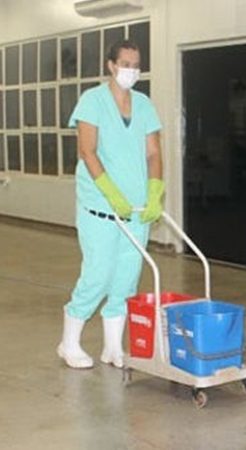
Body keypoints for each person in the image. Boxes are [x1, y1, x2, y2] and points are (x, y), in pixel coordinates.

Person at [57, 40, 164, 369]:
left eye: (137, 64)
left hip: (135, 212)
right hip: (100, 209)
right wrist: (111, 193)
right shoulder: (92, 101)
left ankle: (113, 348)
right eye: (126, 64)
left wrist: (155, 192)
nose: (132, 70)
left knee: (126, 280)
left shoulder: (144, 104)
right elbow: (87, 151)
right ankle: (69, 342)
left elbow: (153, 152)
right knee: (98, 276)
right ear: (111, 65)